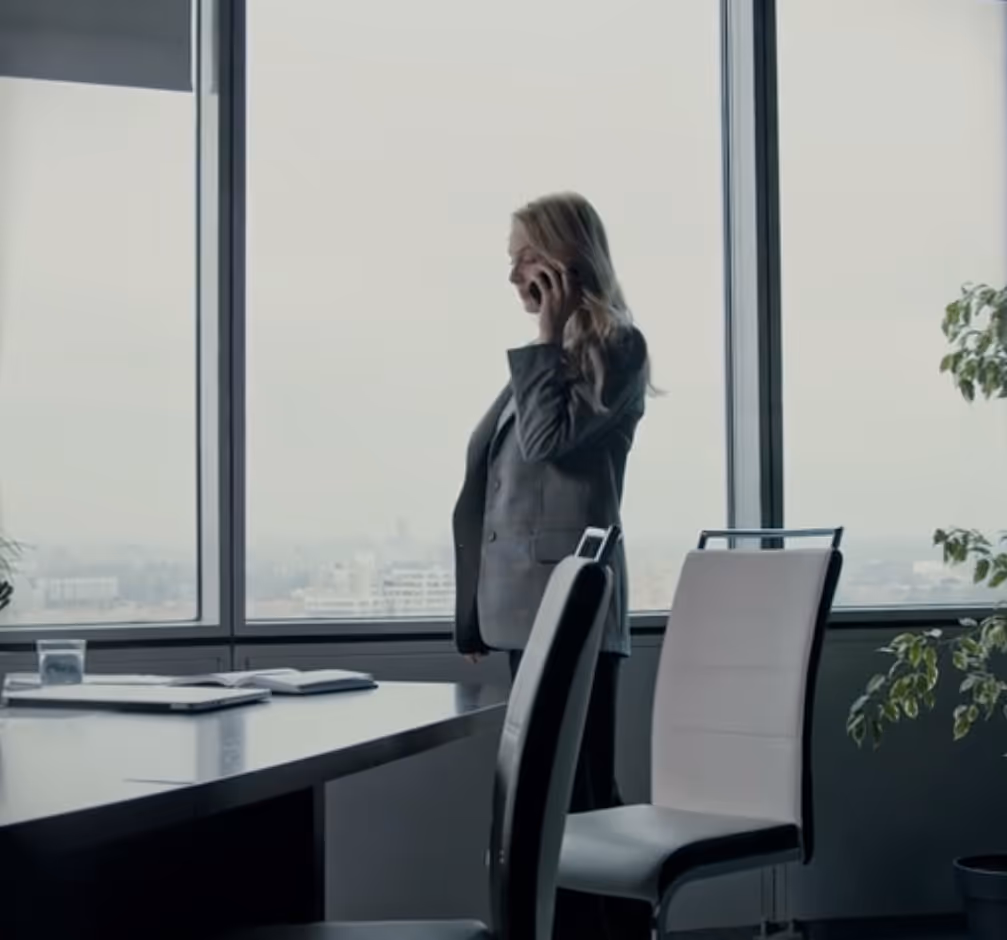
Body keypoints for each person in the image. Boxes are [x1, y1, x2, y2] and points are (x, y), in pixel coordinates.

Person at [452, 192, 653, 939]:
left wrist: (546, 332)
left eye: (522, 259)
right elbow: (492, 492)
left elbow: (544, 445)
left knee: (581, 795)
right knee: (547, 796)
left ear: (563, 260)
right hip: (521, 612)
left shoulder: (615, 346)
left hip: (572, 609)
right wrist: (472, 610)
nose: (512, 278)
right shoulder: (544, 363)